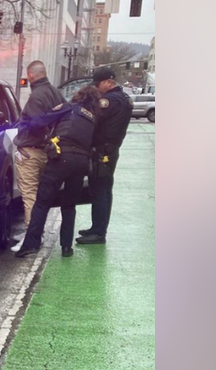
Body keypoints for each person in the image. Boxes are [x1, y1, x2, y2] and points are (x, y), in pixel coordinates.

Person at [13, 86, 104, 258]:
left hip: (62, 157)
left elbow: (40, 121)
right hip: (82, 162)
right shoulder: (92, 118)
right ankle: (67, 248)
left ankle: (31, 244)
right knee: (69, 205)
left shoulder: (69, 107)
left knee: (42, 202)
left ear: (79, 96)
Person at [77, 67, 133, 245]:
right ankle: (97, 228)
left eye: (99, 84)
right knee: (104, 189)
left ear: (108, 82)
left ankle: (99, 232)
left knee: (100, 189)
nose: (97, 88)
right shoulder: (124, 98)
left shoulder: (110, 101)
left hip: (103, 150)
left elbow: (93, 117)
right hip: (110, 149)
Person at [11, 61, 65, 233]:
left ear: (31, 75)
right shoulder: (56, 93)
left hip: (30, 151)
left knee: (29, 195)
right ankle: (37, 232)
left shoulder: (36, 96)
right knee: (42, 195)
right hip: (48, 152)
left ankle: (32, 236)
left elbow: (35, 124)